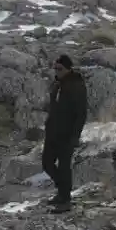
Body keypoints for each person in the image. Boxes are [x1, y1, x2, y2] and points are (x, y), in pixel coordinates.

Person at [42, 55, 88, 213]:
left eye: (60, 69)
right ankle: (62, 191)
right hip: (53, 131)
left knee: (64, 167)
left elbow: (81, 113)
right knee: (47, 163)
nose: (57, 71)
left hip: (67, 133)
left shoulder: (76, 85)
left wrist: (75, 135)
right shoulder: (57, 83)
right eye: (55, 68)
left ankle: (65, 199)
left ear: (68, 68)